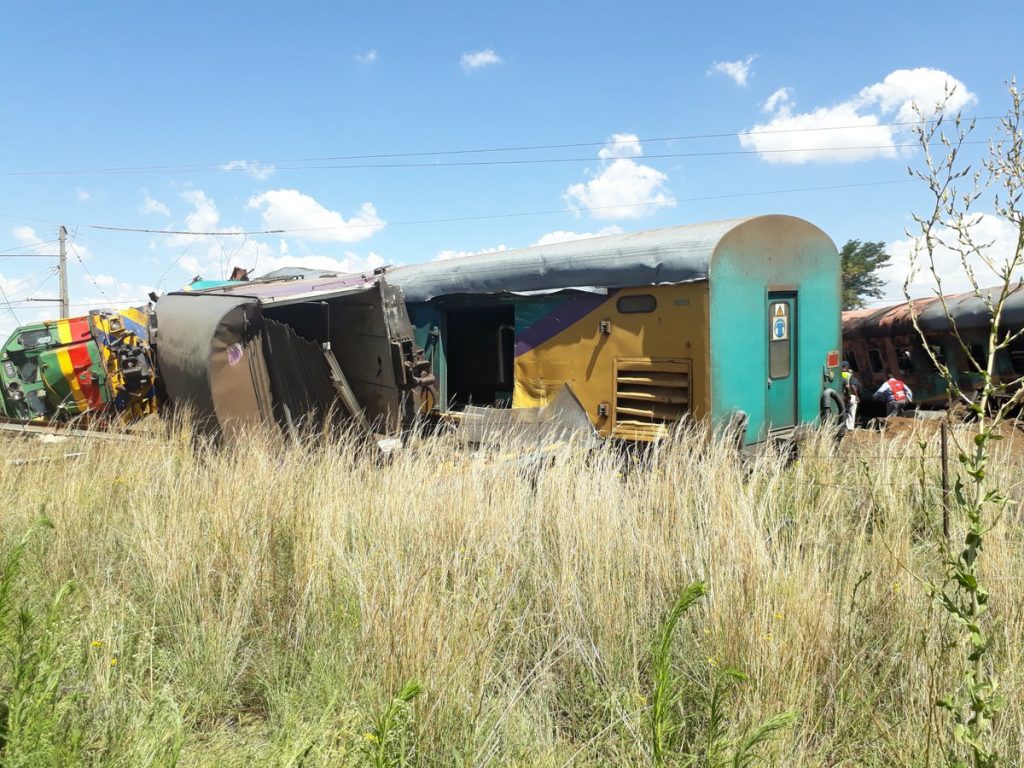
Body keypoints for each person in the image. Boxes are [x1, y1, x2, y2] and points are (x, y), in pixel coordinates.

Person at [840, 361, 862, 430]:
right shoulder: (849, 375)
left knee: (843, 412)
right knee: (851, 412)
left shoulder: (838, 374)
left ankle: (843, 426)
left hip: (840, 396)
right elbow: (852, 386)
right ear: (846, 367)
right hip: (849, 396)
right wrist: (857, 396)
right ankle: (849, 428)